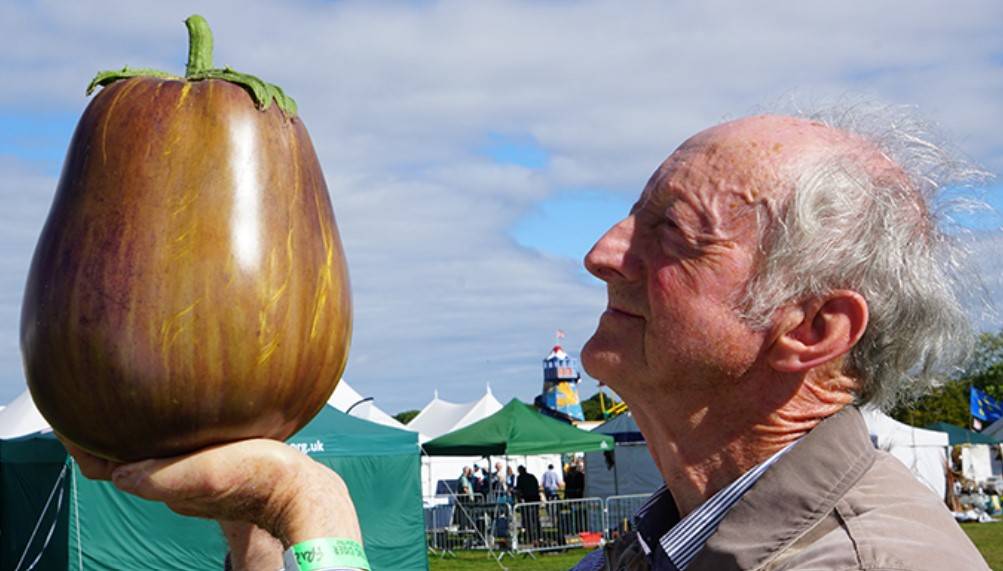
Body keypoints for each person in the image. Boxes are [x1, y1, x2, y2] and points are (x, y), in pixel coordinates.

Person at [66, 106, 993, 571]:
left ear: (813, 328)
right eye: (629, 216)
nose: (601, 253)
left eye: (672, 231)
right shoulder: (670, 538)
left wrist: (313, 509)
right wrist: (264, 534)